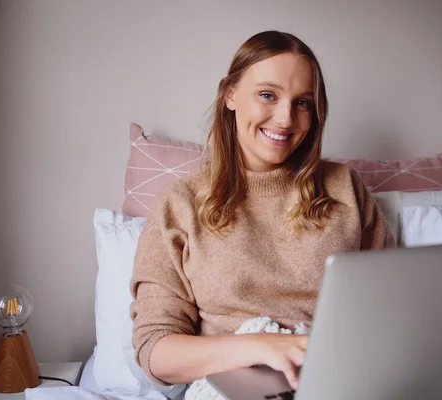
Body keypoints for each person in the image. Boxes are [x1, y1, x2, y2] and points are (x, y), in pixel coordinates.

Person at [130, 30, 395, 391]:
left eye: (302, 102)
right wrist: (262, 346)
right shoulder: (180, 204)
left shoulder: (344, 187)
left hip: (333, 381)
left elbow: (389, 313)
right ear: (231, 94)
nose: (285, 119)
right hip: (233, 387)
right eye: (268, 95)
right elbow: (156, 351)